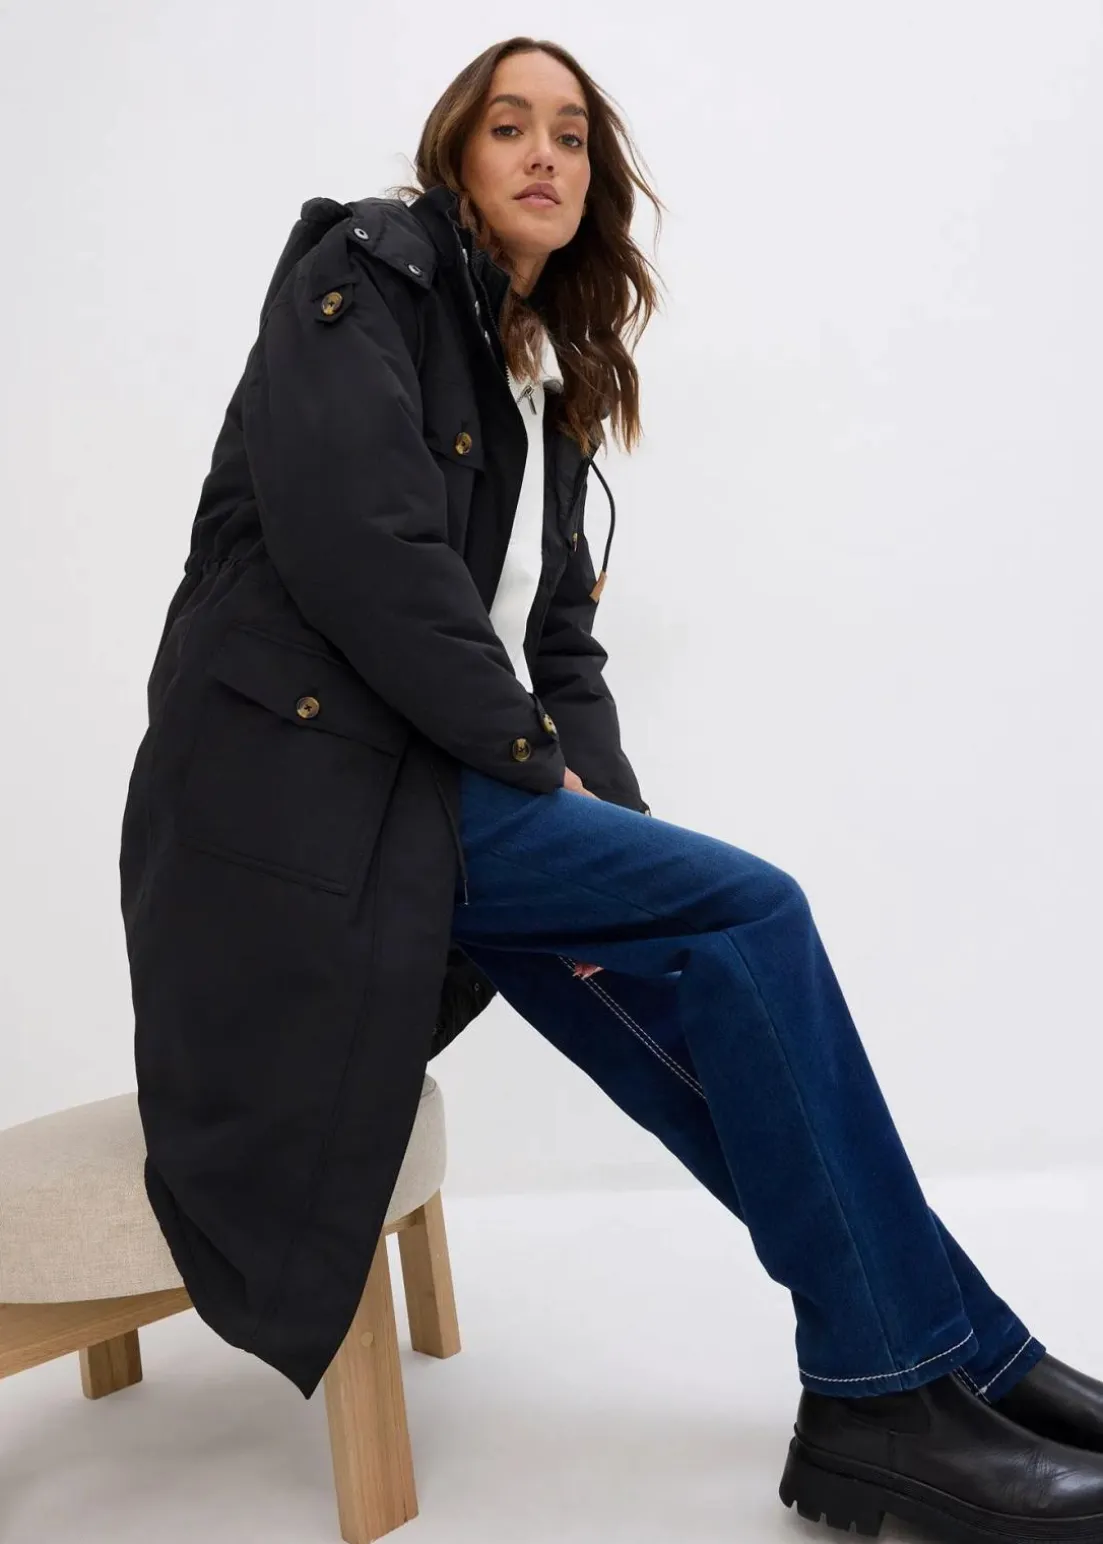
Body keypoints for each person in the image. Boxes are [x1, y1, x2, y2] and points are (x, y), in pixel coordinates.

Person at [119, 35, 1103, 1543]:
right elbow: (363, 554)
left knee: (693, 1003)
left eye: (571, 135)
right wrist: (536, 773)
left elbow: (558, 650)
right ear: (455, 157)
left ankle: (950, 1357)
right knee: (752, 913)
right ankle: (890, 1389)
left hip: (427, 797)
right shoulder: (362, 274)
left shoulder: (540, 384)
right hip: (301, 808)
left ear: (594, 181)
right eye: (508, 126)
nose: (544, 154)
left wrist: (606, 834)